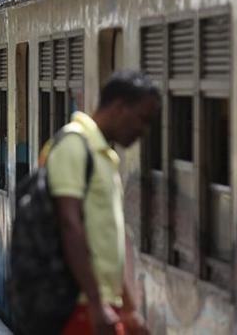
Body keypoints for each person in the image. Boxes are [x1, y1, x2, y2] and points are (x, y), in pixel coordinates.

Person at [46, 71, 159, 335]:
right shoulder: (74, 145)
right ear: (120, 108)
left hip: (99, 303)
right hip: (78, 304)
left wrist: (128, 308)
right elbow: (69, 224)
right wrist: (96, 303)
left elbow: (106, 240)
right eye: (142, 119)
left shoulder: (103, 155)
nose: (144, 131)